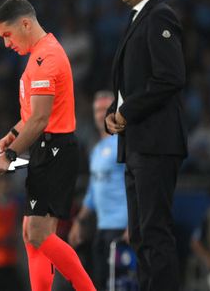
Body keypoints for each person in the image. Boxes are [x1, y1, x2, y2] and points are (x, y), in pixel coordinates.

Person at [0, 0, 95, 291]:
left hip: (55, 149)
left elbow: (41, 119)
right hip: (47, 148)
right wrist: (12, 135)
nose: (6, 44)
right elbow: (32, 117)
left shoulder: (47, 59)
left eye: (7, 35)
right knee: (30, 232)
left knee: (38, 234)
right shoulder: (39, 56)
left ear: (26, 24)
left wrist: (9, 154)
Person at [105, 0, 187, 291]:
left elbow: (170, 77)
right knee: (139, 235)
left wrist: (125, 112)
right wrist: (114, 111)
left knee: (154, 233)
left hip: (155, 141)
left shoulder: (160, 15)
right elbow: (132, 82)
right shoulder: (139, 17)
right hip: (137, 142)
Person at [68, 90, 127, 289]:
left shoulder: (124, 144)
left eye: (105, 109)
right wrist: (79, 221)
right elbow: (93, 191)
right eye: (97, 110)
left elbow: (135, 186)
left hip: (121, 227)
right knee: (99, 282)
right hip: (102, 228)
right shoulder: (96, 149)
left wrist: (133, 225)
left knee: (118, 284)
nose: (101, 114)